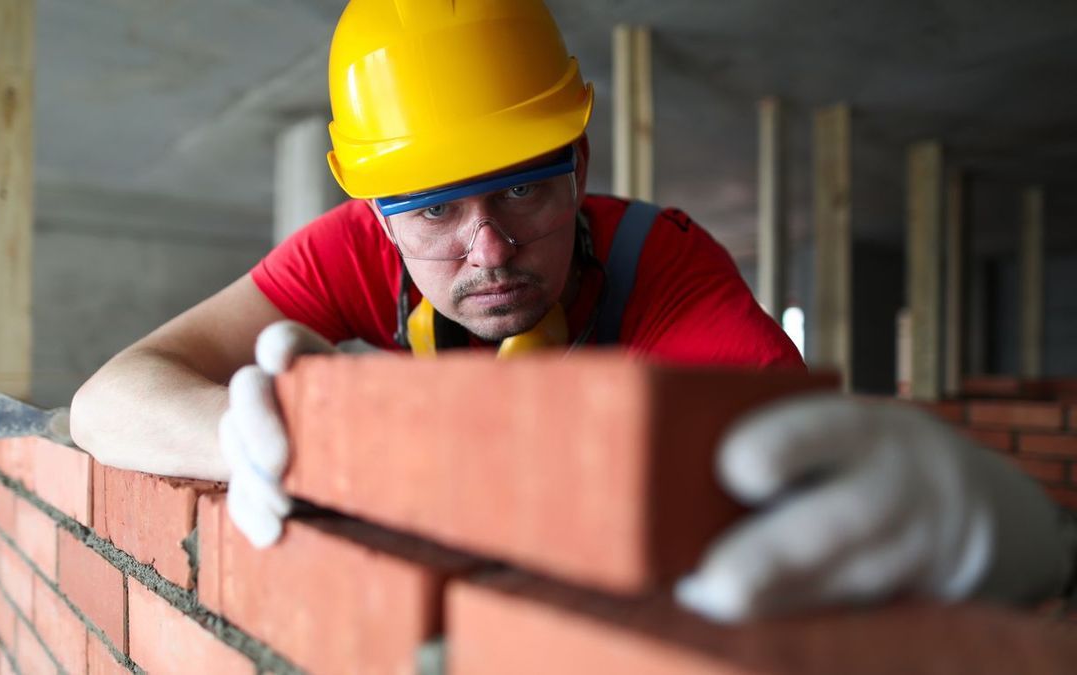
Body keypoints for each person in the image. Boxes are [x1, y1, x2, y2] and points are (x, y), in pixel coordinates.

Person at [69, 0, 1077, 623]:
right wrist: (258, 438)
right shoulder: (351, 254)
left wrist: (1026, 554)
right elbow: (107, 401)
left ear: (580, 165)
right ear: (373, 212)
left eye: (523, 190)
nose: (491, 248)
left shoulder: (663, 267)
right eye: (435, 211)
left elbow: (806, 489)